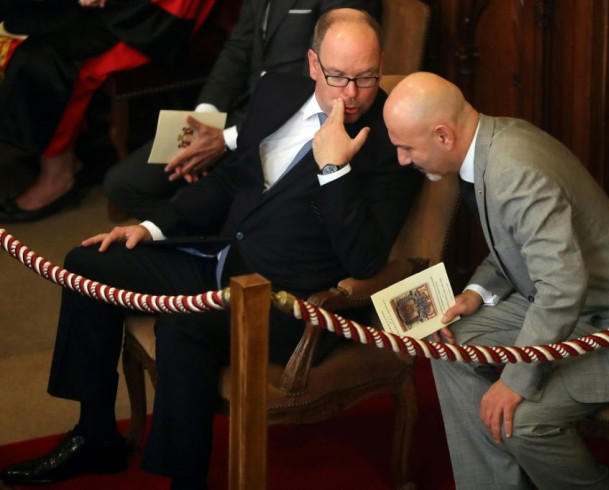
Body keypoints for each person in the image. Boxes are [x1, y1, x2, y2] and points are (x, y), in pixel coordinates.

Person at [0, 9, 420, 489]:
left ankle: (187, 481)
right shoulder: (279, 91)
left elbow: (365, 259)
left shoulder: (392, 140)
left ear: (381, 63)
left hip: (283, 302)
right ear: (311, 64)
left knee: (183, 330)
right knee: (88, 264)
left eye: (365, 77)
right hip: (219, 258)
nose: (351, 93)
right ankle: (95, 437)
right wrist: (153, 227)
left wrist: (335, 172)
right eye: (338, 76)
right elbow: (228, 183)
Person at [382, 72, 609, 489]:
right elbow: (517, 249)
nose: (402, 160)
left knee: (520, 421)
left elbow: (562, 286)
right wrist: (475, 293)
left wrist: (515, 382)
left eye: (406, 147)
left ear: (444, 136)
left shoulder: (512, 170)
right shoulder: (494, 140)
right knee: (448, 343)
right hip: (575, 304)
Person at [104, 0, 380, 221]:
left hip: (285, 125)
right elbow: (237, 50)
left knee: (196, 202)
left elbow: (325, 79)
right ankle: (209, 236)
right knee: (122, 184)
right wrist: (204, 115)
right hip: (235, 113)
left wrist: (224, 139)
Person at [0, 0, 216, 223]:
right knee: (24, 18)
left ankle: (59, 175)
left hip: (156, 12)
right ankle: (61, 157)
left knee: (45, 56)